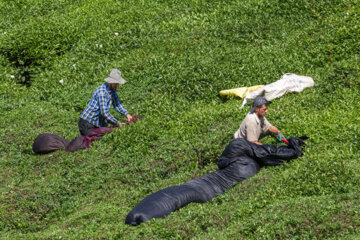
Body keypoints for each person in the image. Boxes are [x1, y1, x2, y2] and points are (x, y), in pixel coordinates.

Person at [78, 68, 133, 136]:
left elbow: (117, 105)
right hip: (87, 123)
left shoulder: (112, 91)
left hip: (97, 123)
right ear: (110, 82)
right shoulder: (102, 92)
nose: (117, 85)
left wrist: (127, 114)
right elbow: (104, 113)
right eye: (115, 83)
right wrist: (118, 124)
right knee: (91, 142)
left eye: (117, 83)